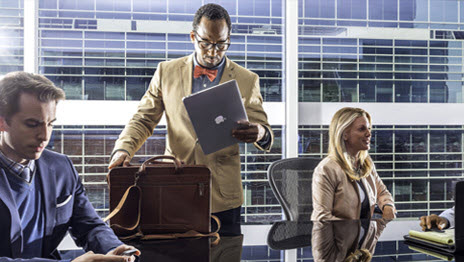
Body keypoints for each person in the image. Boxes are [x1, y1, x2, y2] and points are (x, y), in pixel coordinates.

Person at [108, 3, 273, 236]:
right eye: (206, 42)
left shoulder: (247, 79)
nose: (213, 51)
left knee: (225, 254)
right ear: (193, 37)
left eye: (221, 44)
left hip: (224, 195)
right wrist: (122, 149)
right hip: (176, 184)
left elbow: (263, 128)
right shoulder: (166, 72)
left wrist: (260, 133)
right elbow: (143, 118)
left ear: (229, 40)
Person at [0, 71, 140, 261]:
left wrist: (117, 249)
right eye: (32, 124)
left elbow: (90, 225)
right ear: (2, 122)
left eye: (50, 124)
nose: (45, 136)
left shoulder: (61, 167)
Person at [311, 107, 395, 220]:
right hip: (337, 236)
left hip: (364, 235)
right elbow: (322, 217)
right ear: (344, 134)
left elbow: (382, 192)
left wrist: (388, 206)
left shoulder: (366, 163)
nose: (369, 133)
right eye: (362, 129)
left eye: (369, 128)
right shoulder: (326, 169)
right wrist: (353, 229)